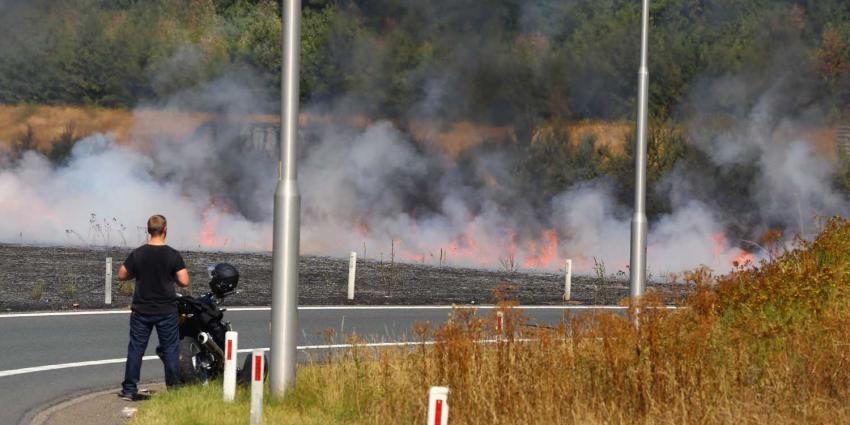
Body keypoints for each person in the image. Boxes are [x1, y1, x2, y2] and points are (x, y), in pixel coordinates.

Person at [117, 214, 190, 401]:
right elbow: (184, 281)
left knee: (136, 349)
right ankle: (174, 389)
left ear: (148, 230)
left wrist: (139, 273)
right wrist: (170, 275)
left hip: (141, 310)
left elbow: (122, 274)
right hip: (166, 311)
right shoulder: (173, 255)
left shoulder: (138, 253)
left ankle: (129, 389)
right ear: (165, 230)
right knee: (170, 349)